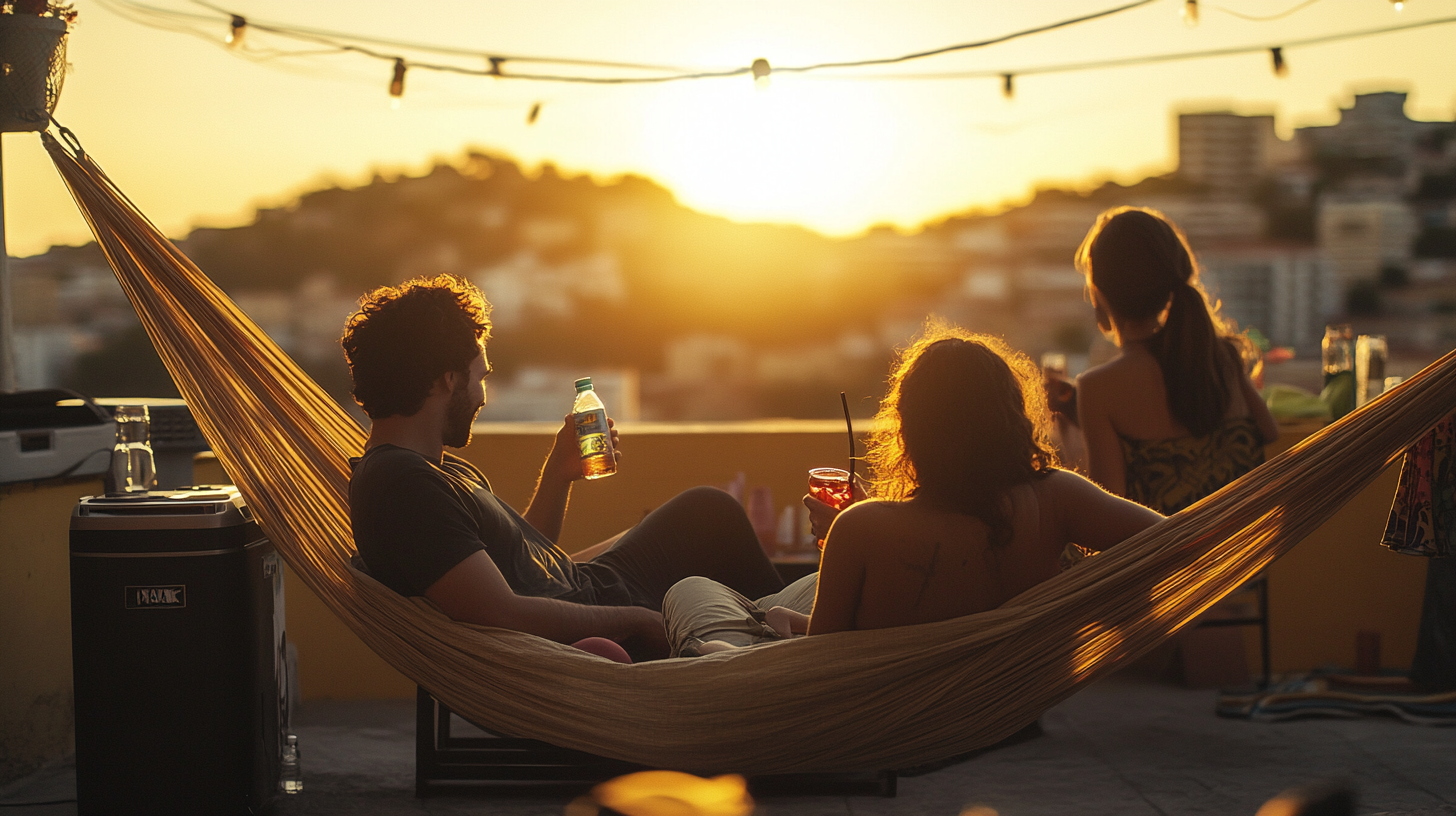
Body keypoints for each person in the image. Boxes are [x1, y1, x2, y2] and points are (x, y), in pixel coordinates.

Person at [341, 275, 785, 661]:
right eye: (480, 378)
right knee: (711, 516)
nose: (482, 397)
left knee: (704, 513)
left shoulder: (433, 472)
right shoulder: (402, 485)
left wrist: (558, 473)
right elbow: (501, 611)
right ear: (448, 380)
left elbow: (525, 562)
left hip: (587, 588)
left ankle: (782, 636)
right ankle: (794, 661)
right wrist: (639, 619)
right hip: (596, 616)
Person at [662, 325, 1163, 656]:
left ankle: (714, 644)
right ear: (1010, 416)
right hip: (1000, 702)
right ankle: (757, 620)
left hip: (870, 713)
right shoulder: (1057, 499)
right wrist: (1077, 601)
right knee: (771, 603)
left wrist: (774, 631)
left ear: (911, 428)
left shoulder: (862, 529)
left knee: (690, 592)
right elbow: (1174, 540)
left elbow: (819, 668)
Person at [1074, 207, 1278, 514]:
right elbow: (1270, 434)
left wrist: (1068, 440)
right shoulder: (1224, 358)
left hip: (1170, 561)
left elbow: (1108, 516)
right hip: (1243, 552)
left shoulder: (1096, 389)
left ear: (1099, 294)